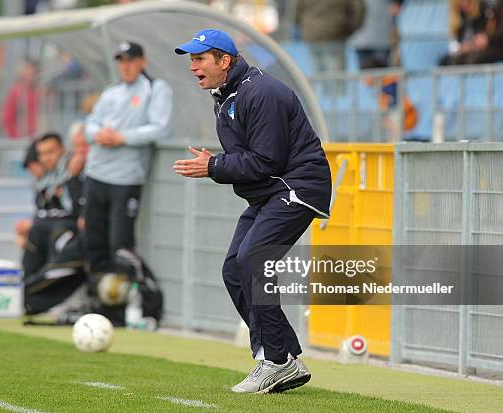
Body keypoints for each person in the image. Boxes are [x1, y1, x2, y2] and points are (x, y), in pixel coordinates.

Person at [173, 29, 331, 394]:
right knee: (234, 269)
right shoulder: (228, 93)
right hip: (270, 190)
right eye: (191, 60)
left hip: (295, 187)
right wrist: (216, 166)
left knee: (253, 260)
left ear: (224, 61)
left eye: (199, 59)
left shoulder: (260, 92)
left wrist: (212, 166)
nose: (193, 67)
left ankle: (275, 361)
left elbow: (265, 160)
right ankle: (284, 356)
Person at [81, 41, 172, 275]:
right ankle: (100, 296)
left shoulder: (155, 88)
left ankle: (125, 303)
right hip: (96, 174)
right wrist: (98, 134)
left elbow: (160, 128)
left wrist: (122, 137)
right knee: (94, 242)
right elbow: (90, 124)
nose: (126, 66)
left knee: (121, 245)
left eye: (130, 60)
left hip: (126, 178)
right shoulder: (112, 91)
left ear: (142, 62)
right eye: (121, 61)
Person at [21, 131, 87, 317]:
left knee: (58, 235)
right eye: (42, 154)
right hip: (44, 230)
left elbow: (75, 208)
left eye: (50, 152)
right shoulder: (45, 178)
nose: (46, 158)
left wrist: (71, 179)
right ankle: (29, 296)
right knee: (35, 233)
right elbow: (42, 211)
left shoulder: (76, 170)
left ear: (62, 150)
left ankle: (47, 296)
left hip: (68, 230)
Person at [295, 0, 365, 72]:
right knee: (336, 75)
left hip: (312, 33)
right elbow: (358, 8)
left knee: (318, 74)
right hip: (335, 34)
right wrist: (351, 28)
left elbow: (297, 12)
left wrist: (306, 26)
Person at [1, 60, 40, 139]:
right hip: (20, 138)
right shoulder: (16, 92)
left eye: (32, 74)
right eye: (26, 74)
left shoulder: (35, 91)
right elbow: (7, 118)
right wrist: (15, 136)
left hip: (34, 136)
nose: (29, 77)